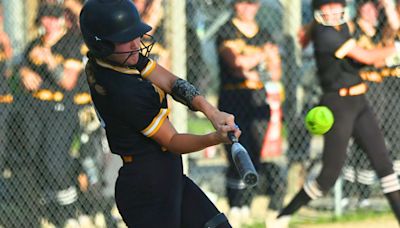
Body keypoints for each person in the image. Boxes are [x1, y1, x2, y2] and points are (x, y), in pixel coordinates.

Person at [79, 0, 240, 227]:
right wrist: (215, 138)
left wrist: (212, 113)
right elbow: (173, 141)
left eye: (136, 36)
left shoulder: (117, 59)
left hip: (167, 177)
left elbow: (171, 82)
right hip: (146, 189)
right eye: (126, 39)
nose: (137, 43)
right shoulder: (123, 91)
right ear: (102, 45)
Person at [278, 0, 400, 223]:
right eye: (327, 7)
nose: (333, 11)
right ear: (318, 10)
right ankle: (281, 217)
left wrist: (390, 18)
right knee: (328, 176)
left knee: (384, 165)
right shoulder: (325, 34)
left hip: (360, 101)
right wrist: (396, 48)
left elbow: (375, 46)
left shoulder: (342, 27)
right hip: (338, 105)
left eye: (336, 5)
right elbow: (367, 57)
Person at [215, 0, 287, 227]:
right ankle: (235, 205)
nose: (249, 8)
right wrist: (261, 56)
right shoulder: (226, 30)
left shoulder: (264, 33)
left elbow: (275, 71)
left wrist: (254, 66)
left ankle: (245, 203)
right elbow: (235, 64)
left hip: (257, 99)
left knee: (254, 152)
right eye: (244, 4)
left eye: (253, 4)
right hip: (232, 97)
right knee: (235, 150)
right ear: (235, 5)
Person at [17, 3, 84, 226]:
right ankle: (50, 214)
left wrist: (49, 59)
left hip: (59, 108)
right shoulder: (34, 44)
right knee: (36, 159)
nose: (51, 23)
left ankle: (69, 213)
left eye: (55, 18)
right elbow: (20, 68)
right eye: (46, 18)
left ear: (63, 19)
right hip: (35, 109)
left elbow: (67, 82)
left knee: (55, 162)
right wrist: (24, 72)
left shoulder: (70, 43)